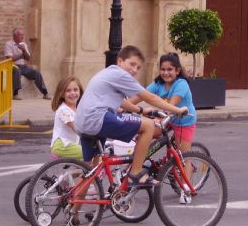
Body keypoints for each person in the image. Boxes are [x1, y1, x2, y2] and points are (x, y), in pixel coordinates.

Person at [74, 45, 188, 189]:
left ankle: (73, 206)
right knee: (148, 126)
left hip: (83, 123)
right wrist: (177, 110)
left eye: (138, 68)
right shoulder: (120, 75)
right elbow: (151, 97)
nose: (134, 70)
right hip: (97, 119)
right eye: (132, 64)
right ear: (120, 61)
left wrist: (141, 110)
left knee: (90, 172)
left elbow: (120, 101)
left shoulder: (108, 73)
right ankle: (135, 174)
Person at [130, 52, 197, 204]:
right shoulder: (158, 84)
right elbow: (141, 96)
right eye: (163, 69)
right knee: (144, 132)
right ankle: (139, 165)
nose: (166, 73)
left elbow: (171, 106)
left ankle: (186, 188)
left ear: (177, 70)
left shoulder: (181, 84)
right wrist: (124, 106)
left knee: (182, 156)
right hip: (166, 118)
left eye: (170, 70)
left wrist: (157, 117)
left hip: (183, 120)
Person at [4, 28, 50, 100]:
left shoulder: (24, 44)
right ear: (15, 36)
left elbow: (28, 58)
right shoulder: (9, 44)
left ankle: (45, 93)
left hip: (24, 66)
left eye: (23, 35)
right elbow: (9, 58)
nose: (22, 36)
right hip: (13, 66)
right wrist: (21, 55)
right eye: (20, 35)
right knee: (17, 71)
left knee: (36, 72)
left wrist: (24, 50)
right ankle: (15, 94)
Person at [50, 76, 84, 160]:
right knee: (91, 153)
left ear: (80, 91)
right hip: (62, 146)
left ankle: (74, 173)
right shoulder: (63, 110)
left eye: (75, 90)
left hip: (70, 145)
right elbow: (76, 128)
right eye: (68, 91)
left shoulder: (78, 109)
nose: (72, 93)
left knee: (86, 167)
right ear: (61, 94)